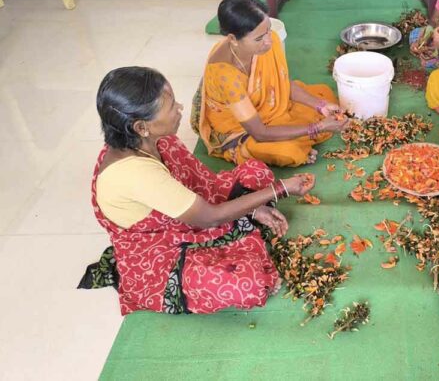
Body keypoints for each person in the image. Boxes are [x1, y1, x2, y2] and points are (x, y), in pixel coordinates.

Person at [79, 67, 315, 315]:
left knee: (255, 173)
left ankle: (245, 221)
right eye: (170, 107)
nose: (180, 108)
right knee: (248, 282)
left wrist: (254, 207)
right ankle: (240, 239)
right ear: (140, 127)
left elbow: (203, 183)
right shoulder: (137, 173)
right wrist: (279, 189)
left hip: (188, 212)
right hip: (159, 247)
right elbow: (209, 217)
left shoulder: (159, 140)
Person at [191, 0, 347, 167]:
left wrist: (320, 105)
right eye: (259, 38)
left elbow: (280, 84)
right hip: (242, 129)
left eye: (268, 30)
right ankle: (241, 151)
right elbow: (259, 132)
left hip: (268, 111)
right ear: (233, 39)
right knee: (288, 151)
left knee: (323, 93)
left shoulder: (268, 39)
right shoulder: (225, 75)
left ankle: (298, 131)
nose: (268, 41)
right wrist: (317, 128)